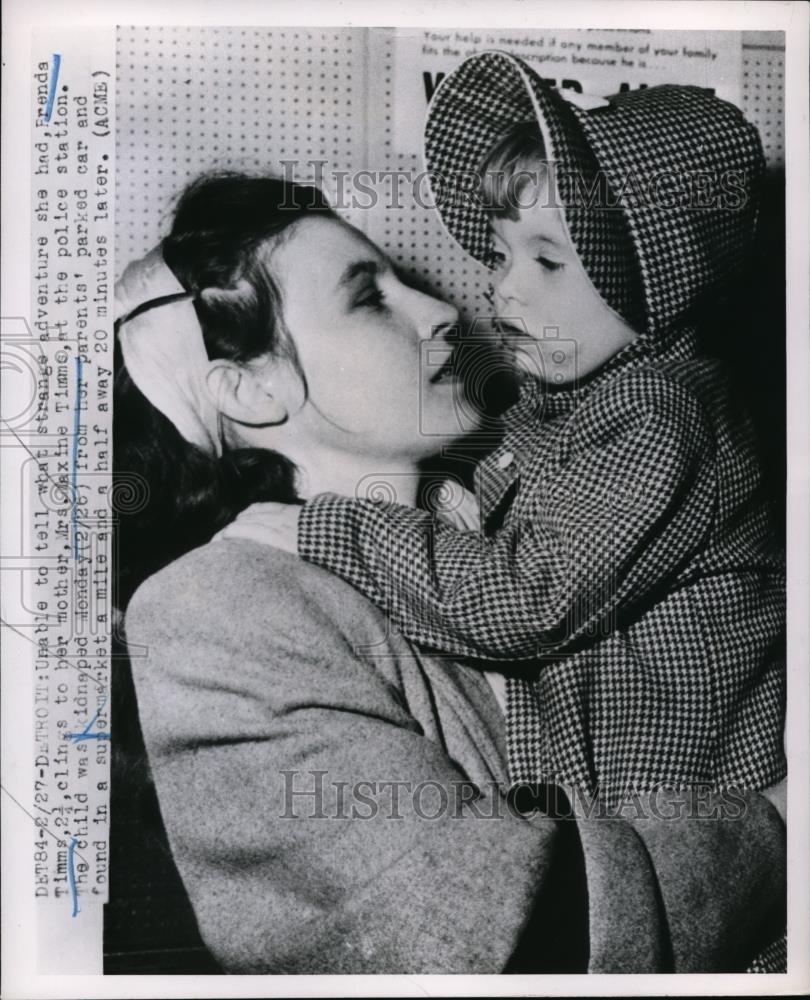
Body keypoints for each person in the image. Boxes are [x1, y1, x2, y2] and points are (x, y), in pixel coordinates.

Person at [117, 172, 786, 974]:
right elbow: (513, 936)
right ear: (251, 388)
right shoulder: (211, 608)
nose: (443, 310)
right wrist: (780, 830)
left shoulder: (506, 520)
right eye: (369, 298)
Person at [245, 53, 787, 820]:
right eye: (502, 255)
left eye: (549, 260)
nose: (503, 285)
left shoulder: (661, 413)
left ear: (660, 274)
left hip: (691, 838)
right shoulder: (576, 400)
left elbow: (529, 600)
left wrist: (331, 529)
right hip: (626, 826)